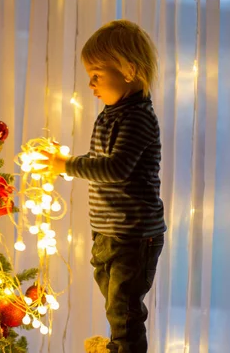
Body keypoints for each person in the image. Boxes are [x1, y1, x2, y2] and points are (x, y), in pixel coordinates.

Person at [41, 20, 166, 352]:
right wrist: (67, 162)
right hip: (108, 232)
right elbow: (101, 160)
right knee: (115, 304)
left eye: (97, 75)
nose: (90, 83)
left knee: (123, 310)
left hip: (134, 235)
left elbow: (116, 168)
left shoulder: (138, 118)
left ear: (128, 69)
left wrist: (66, 165)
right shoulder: (111, 114)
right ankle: (117, 345)